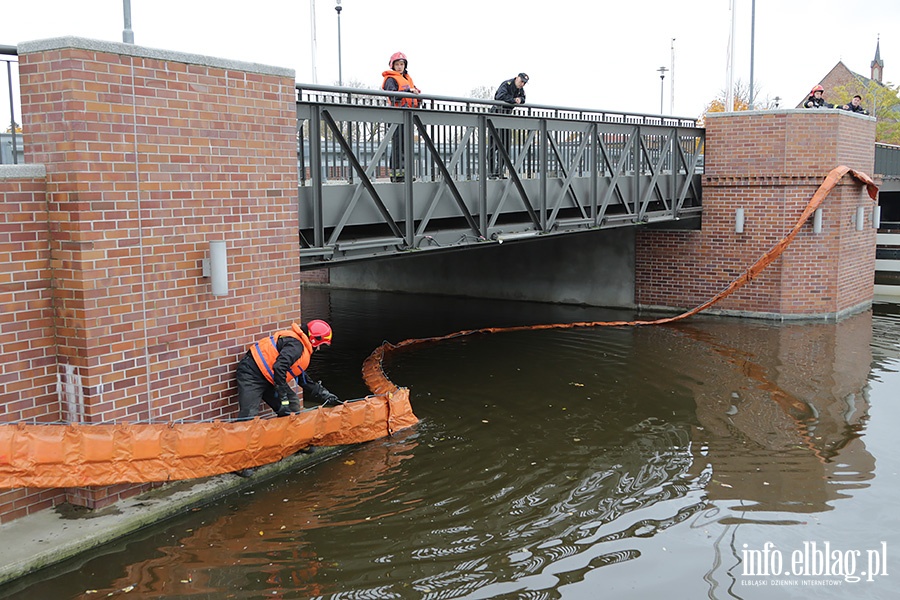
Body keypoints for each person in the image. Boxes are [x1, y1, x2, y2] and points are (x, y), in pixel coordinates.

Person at [235, 319, 341, 421]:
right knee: (248, 416)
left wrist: (323, 393)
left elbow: (301, 377)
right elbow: (279, 367)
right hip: (252, 373)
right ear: (314, 340)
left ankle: (288, 436)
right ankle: (239, 438)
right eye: (320, 345)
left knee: (292, 406)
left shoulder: (299, 345)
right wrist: (283, 398)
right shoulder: (296, 346)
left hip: (270, 376)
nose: (319, 349)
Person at [382, 52, 421, 183]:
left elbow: (413, 93)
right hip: (396, 116)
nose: (399, 67)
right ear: (392, 66)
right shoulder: (391, 79)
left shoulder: (407, 79)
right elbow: (393, 95)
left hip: (407, 116)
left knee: (406, 146)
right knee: (398, 146)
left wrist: (417, 96)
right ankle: (397, 175)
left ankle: (405, 173)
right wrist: (408, 92)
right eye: (397, 64)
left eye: (402, 64)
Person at [489, 73, 528, 178]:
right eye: (521, 81)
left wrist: (520, 100)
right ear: (517, 78)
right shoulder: (507, 84)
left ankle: (499, 172)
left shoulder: (520, 89)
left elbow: (523, 98)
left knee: (505, 147)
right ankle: (491, 172)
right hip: (496, 116)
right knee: (493, 146)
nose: (522, 84)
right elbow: (499, 96)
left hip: (506, 118)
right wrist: (513, 100)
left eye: (524, 83)